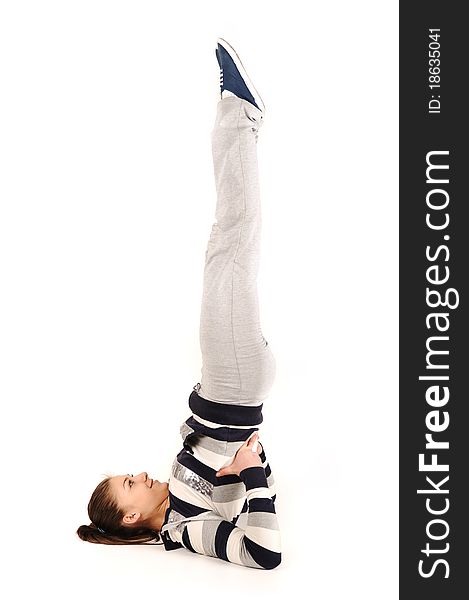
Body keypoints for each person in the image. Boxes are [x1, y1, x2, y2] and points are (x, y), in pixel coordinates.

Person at [77, 38, 281, 570]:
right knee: (229, 245)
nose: (139, 475)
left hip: (229, 382)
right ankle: (240, 115)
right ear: (129, 516)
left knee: (229, 246)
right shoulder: (186, 526)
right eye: (130, 484)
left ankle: (240, 118)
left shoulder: (181, 501)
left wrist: (243, 466)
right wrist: (253, 468)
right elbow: (264, 553)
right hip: (233, 385)